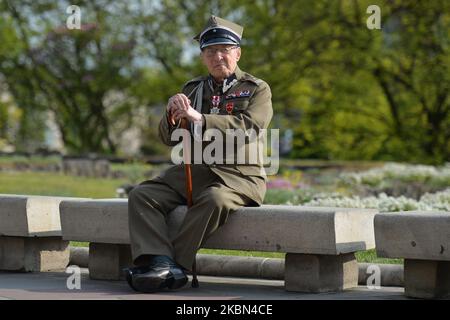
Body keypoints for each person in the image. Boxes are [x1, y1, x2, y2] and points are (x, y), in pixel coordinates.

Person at [125, 15, 273, 293]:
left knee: (214, 199)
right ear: (203, 57)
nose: (218, 57)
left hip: (240, 177)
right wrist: (171, 114)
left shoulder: (256, 89)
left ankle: (175, 267)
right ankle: (157, 260)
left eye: (224, 50)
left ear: (237, 53)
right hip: (197, 171)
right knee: (142, 195)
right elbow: (169, 138)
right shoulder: (192, 89)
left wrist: (200, 119)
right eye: (210, 51)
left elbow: (250, 127)